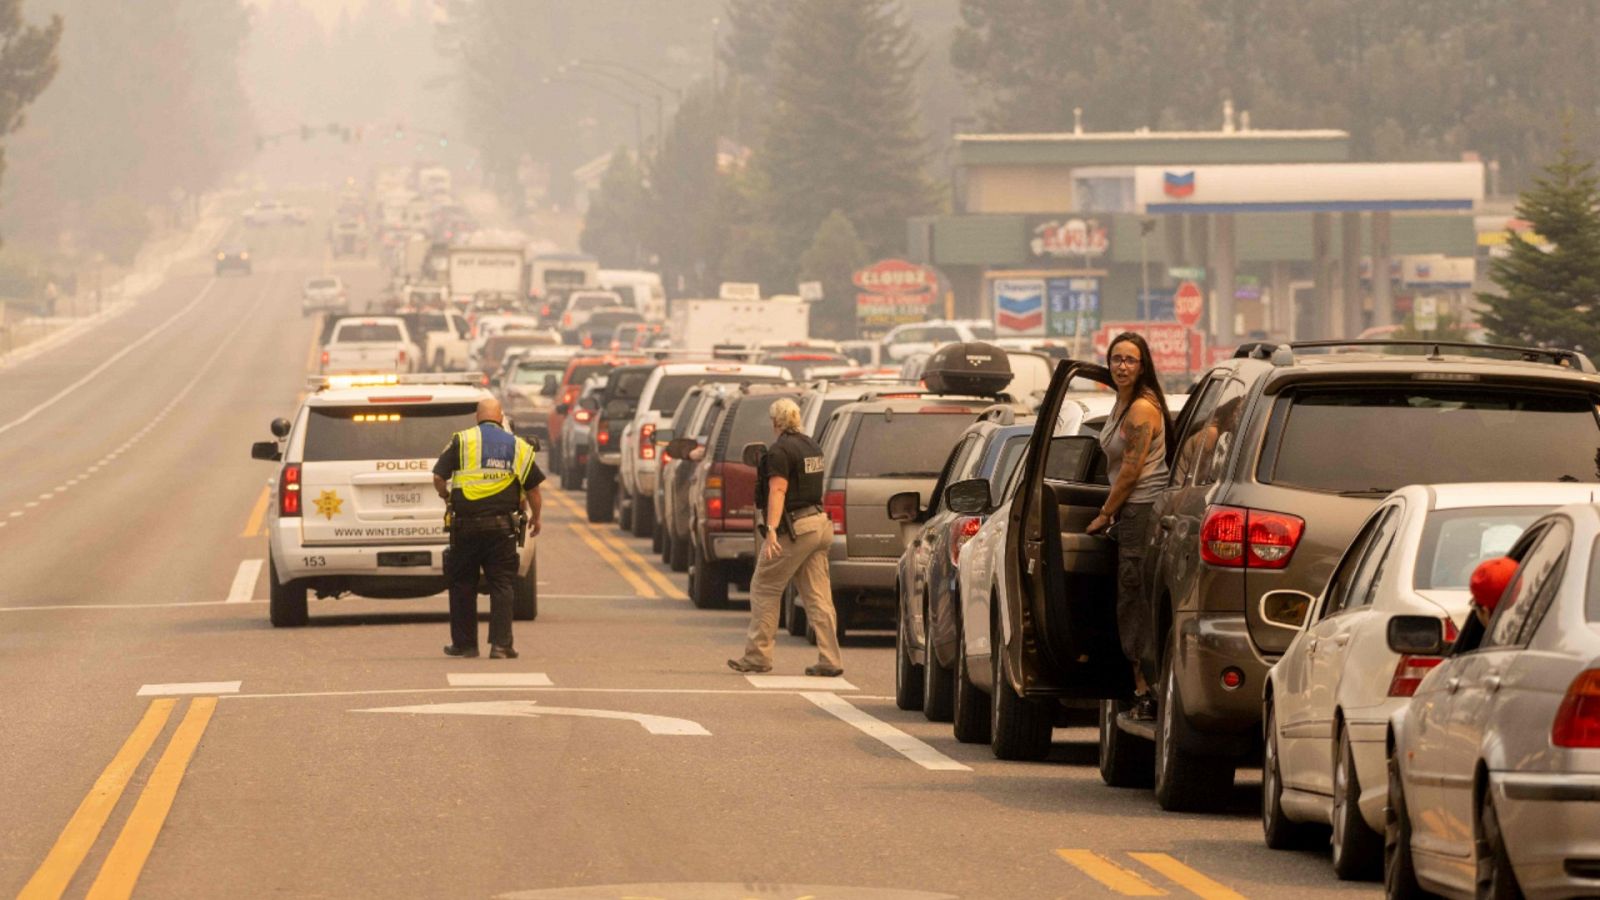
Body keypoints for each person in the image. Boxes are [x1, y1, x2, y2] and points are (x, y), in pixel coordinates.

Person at [1087, 332, 1173, 719]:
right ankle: (1140, 682)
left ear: (1143, 366)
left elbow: (1132, 471)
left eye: (1130, 360)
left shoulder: (1141, 409)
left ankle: (1146, 689)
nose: (1122, 366)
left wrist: (1106, 513)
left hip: (1141, 509)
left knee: (1134, 597)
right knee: (1129, 596)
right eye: (1116, 359)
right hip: (1131, 511)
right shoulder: (1122, 404)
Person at [727, 398, 844, 677]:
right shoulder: (811, 445)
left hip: (796, 528)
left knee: (764, 586)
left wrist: (770, 529)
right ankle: (830, 659)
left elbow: (778, 491)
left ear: (775, 422)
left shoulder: (779, 451)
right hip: (818, 524)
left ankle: (757, 657)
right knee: (818, 596)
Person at [432, 397, 543, 659]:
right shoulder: (518, 446)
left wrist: (446, 496)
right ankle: (501, 646)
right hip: (502, 528)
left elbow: (438, 477)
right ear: (501, 417)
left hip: (465, 528)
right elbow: (534, 490)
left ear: (477, 418)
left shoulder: (461, 441)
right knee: (502, 584)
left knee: (462, 584)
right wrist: (537, 517)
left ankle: (465, 645)